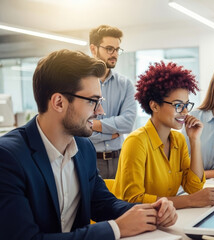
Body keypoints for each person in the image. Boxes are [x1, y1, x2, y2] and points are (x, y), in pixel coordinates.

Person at [0, 50, 177, 240]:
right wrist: (116, 229)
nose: (101, 111)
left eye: (99, 101)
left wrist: (150, 211)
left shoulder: (84, 148)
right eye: (93, 101)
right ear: (59, 102)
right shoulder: (8, 157)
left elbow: (102, 203)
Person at [112, 61, 214, 209]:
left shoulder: (179, 140)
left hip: (165, 220)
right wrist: (189, 201)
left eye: (186, 105)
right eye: (178, 105)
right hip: (137, 224)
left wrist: (195, 140)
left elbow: (194, 188)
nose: (185, 112)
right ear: (154, 106)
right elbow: (132, 200)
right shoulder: (136, 142)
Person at [89, 25, 137, 179]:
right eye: (109, 49)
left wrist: (95, 126)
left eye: (117, 49)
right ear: (93, 48)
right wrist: (112, 134)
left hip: (120, 160)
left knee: (121, 202)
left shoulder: (125, 84)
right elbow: (79, 129)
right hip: (90, 159)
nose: (114, 54)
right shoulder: (80, 83)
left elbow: (128, 123)